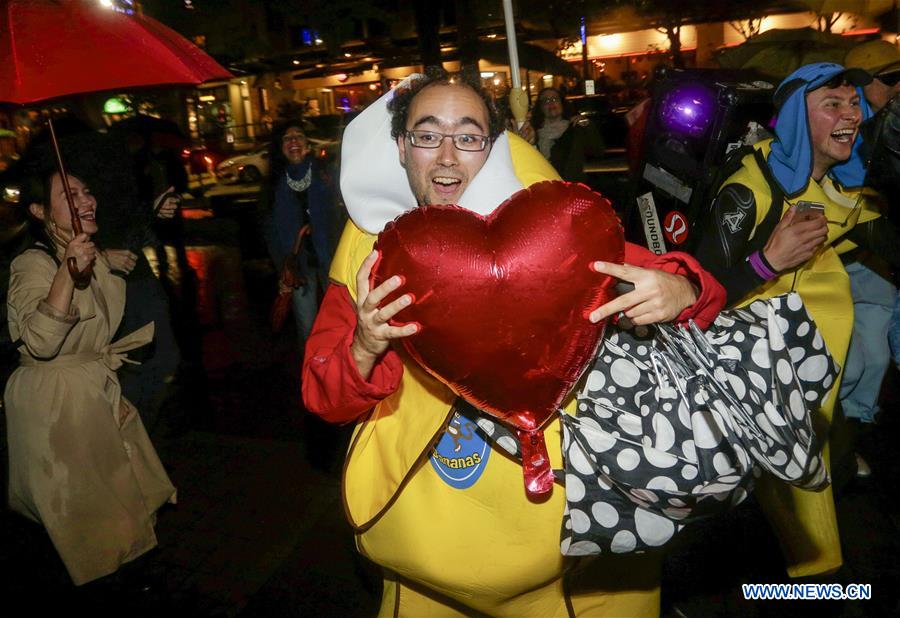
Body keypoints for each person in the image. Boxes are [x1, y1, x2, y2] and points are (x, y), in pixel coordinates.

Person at [302, 72, 724, 616]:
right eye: (428, 136)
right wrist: (365, 344)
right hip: (422, 537)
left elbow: (690, 289)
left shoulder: (543, 230)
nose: (448, 157)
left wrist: (678, 287)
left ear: (493, 145)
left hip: (565, 546)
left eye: (469, 136)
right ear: (402, 148)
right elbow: (325, 397)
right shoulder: (367, 249)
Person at [694, 62, 900, 578]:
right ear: (791, 120)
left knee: (829, 492)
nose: (851, 113)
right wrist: (768, 261)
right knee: (804, 547)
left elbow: (887, 245)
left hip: (818, 388)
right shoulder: (749, 190)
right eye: (833, 103)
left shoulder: (839, 192)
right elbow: (698, 299)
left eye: (854, 103)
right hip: (759, 391)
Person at [5, 145, 176, 586]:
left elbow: (104, 277)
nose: (86, 199)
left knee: (114, 504)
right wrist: (68, 271)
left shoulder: (92, 255)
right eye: (69, 194)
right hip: (56, 410)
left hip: (90, 392)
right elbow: (40, 341)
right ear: (40, 210)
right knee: (82, 522)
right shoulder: (31, 264)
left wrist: (117, 247)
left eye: (86, 191)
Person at [840, 41, 900, 459]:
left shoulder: (888, 126)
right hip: (841, 266)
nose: (899, 88)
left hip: (877, 265)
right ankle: (835, 440)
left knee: (875, 362)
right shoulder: (843, 130)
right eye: (891, 79)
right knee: (859, 363)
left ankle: (849, 438)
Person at [262, 121, 337, 347]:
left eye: (299, 136)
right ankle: (313, 376)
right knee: (307, 328)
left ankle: (344, 375)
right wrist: (282, 270)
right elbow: (270, 232)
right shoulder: (273, 184)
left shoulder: (325, 173)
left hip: (332, 261)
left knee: (341, 322)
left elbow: (341, 216)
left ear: (307, 143)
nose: (294, 141)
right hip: (297, 267)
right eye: (287, 138)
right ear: (280, 146)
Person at [518, 87, 605, 183]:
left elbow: (598, 150)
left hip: (571, 188)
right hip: (543, 187)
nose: (551, 103)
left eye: (555, 99)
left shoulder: (575, 128)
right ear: (540, 107)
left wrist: (587, 125)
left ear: (562, 103)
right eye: (546, 100)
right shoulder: (532, 132)